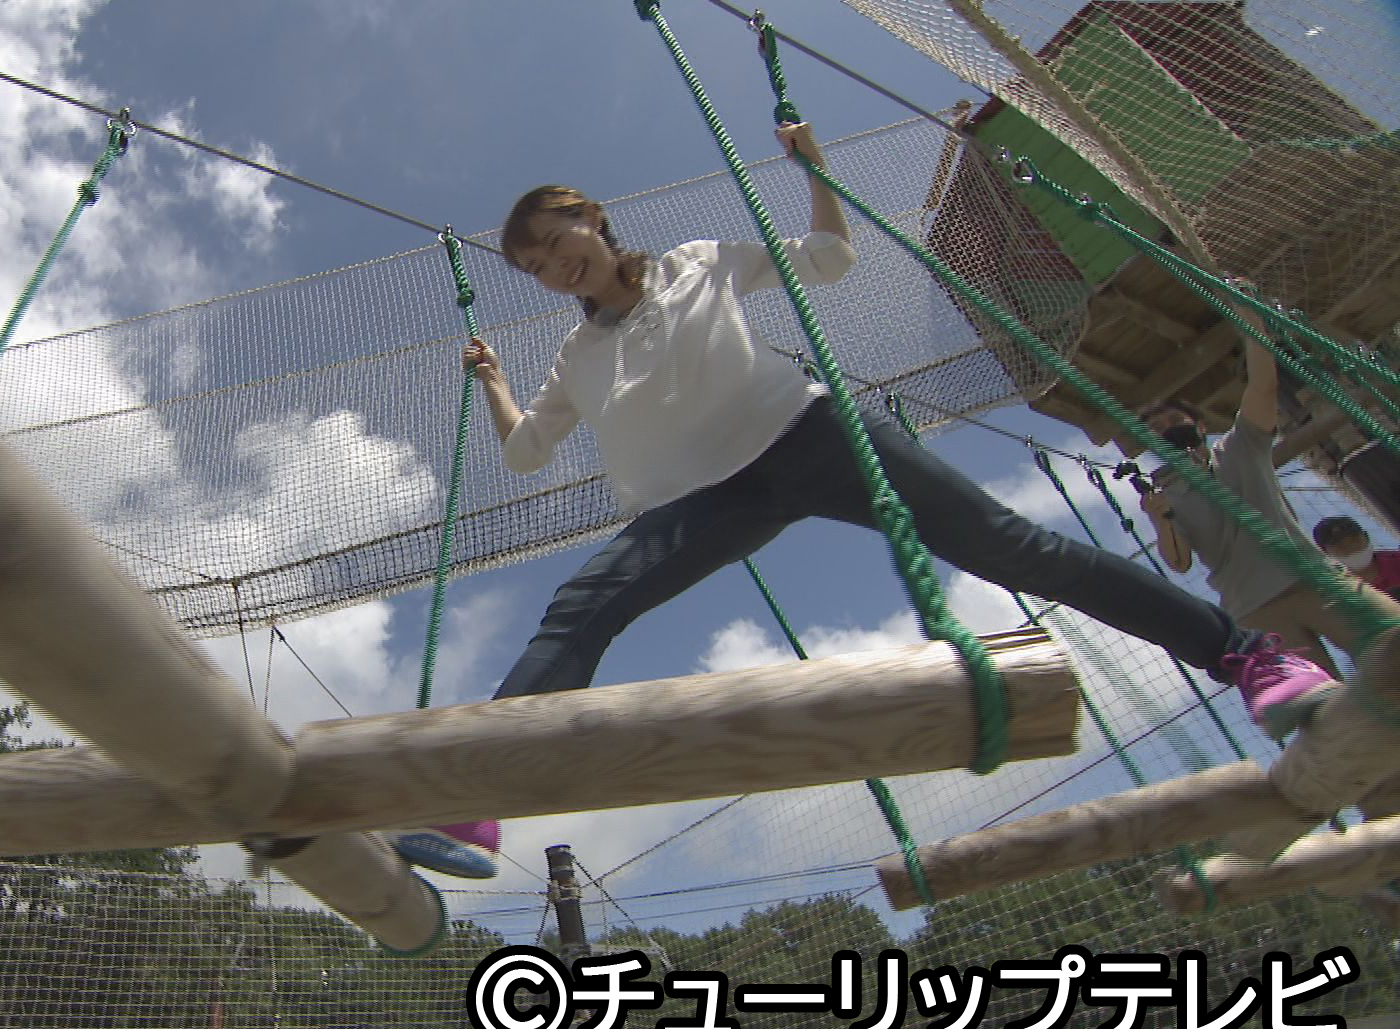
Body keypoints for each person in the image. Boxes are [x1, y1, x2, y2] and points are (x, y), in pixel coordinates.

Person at [389, 123, 1337, 879]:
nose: (556, 268)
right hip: (705, 499)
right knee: (584, 604)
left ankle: (1246, 655)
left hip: (812, 437)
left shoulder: (694, 262)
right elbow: (525, 452)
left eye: (558, 244)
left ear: (593, 220)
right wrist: (495, 382)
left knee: (1010, 546)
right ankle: (479, 792)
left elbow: (828, 259)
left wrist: (815, 172)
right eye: (537, 268)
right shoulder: (576, 356)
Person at [1137, 304, 1400, 681]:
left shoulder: (1239, 448)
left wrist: (1252, 324)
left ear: (1200, 425)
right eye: (1156, 427)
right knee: (1319, 700)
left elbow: (1263, 387)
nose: (1167, 428)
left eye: (1175, 420)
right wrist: (1159, 520)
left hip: (1314, 578)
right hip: (1257, 610)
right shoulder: (1164, 496)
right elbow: (1179, 563)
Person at [1314, 516, 1400, 600]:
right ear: (1326, 552)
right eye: (1341, 546)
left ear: (1366, 537)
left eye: (1354, 541)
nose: (1352, 549)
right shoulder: (1329, 590)